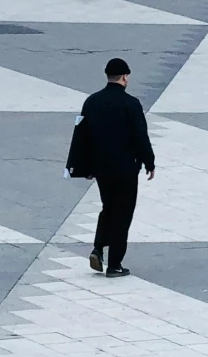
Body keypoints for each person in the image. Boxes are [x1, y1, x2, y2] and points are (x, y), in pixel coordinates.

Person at [67, 57, 156, 278]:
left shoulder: (92, 101)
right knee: (123, 213)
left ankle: (98, 248)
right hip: (125, 168)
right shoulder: (131, 104)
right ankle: (114, 264)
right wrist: (149, 162)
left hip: (101, 169)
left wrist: (84, 167)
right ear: (125, 77)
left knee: (108, 207)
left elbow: (82, 136)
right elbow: (140, 137)